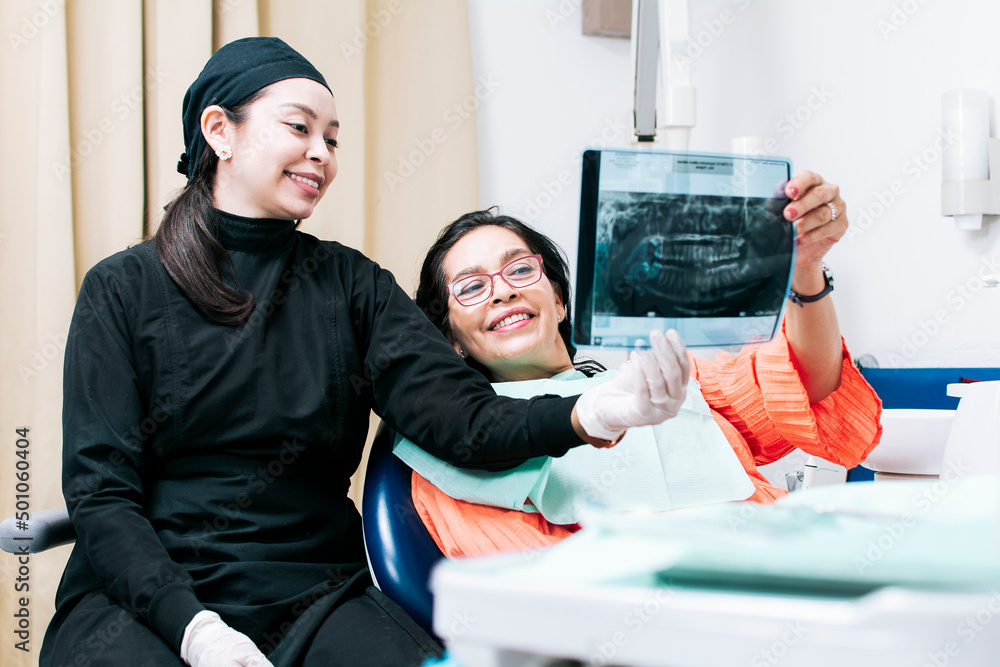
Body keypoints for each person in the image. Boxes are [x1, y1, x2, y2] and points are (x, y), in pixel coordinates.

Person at [39, 37, 692, 667]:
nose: (321, 152)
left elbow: (464, 419)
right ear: (220, 130)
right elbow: (102, 495)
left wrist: (596, 410)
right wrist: (196, 631)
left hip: (313, 590)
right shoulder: (122, 289)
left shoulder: (352, 286)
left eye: (332, 138)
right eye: (299, 128)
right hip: (146, 595)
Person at [406, 181, 883, 558]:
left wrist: (805, 268)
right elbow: (541, 590)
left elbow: (809, 382)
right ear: (451, 339)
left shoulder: (668, 383)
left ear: (557, 299)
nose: (503, 291)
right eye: (470, 287)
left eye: (521, 270)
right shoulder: (457, 447)